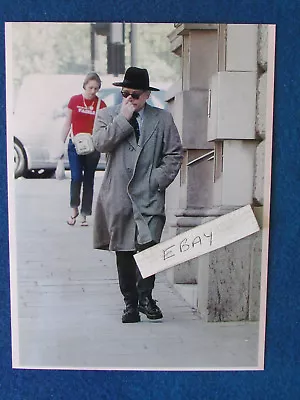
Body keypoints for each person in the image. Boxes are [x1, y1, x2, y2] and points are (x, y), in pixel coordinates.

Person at [92, 67, 183, 323]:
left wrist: (157, 180)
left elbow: (174, 153)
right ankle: (130, 303)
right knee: (123, 250)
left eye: (134, 94)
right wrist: (122, 119)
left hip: (149, 195)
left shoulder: (163, 119)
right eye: (125, 93)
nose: (129, 99)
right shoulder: (108, 115)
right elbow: (100, 144)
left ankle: (146, 297)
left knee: (148, 248)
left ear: (146, 95)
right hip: (119, 195)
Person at [60, 72, 106, 226]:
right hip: (75, 144)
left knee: (89, 179)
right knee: (76, 177)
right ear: (85, 85)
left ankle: (84, 214)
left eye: (96, 88)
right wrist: (62, 142)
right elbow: (68, 122)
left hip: (92, 146)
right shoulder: (75, 101)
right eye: (90, 87)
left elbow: (103, 127)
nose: (93, 91)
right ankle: (74, 208)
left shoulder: (101, 105)